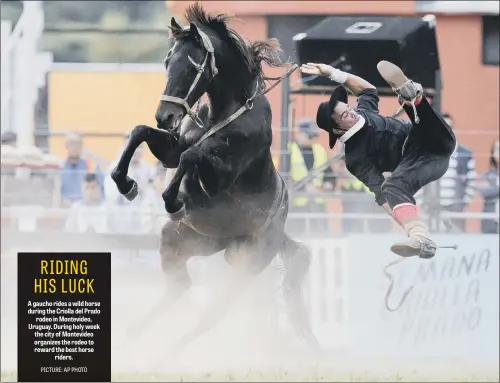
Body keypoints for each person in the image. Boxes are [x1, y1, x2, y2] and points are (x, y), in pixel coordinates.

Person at [301, 60, 456, 258]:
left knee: (417, 118)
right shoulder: (355, 158)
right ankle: (419, 236)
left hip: (434, 139)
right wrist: (407, 223)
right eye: (345, 116)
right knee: (391, 187)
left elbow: (367, 90)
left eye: (349, 108)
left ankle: (411, 96)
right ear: (338, 130)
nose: (352, 113)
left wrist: (332, 72)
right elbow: (381, 194)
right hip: (423, 163)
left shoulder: (364, 111)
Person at [415, 113, 476, 232]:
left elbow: (471, 181)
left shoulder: (465, 154)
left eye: (450, 127)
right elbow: (418, 178)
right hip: (431, 210)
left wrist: (464, 204)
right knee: (432, 244)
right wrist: (422, 203)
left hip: (455, 210)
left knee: (456, 245)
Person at [288, 118, 336, 234]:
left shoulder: (320, 150)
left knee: (320, 234)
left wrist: (328, 185)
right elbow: (283, 178)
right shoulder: (288, 150)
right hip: (298, 205)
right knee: (297, 235)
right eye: (309, 136)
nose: (312, 139)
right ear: (300, 134)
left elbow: (329, 174)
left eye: (313, 136)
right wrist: (303, 188)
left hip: (318, 204)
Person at [477, 139, 499, 234]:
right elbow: (483, 191)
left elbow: (489, 190)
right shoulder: (487, 175)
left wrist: (493, 188)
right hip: (489, 219)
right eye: (497, 149)